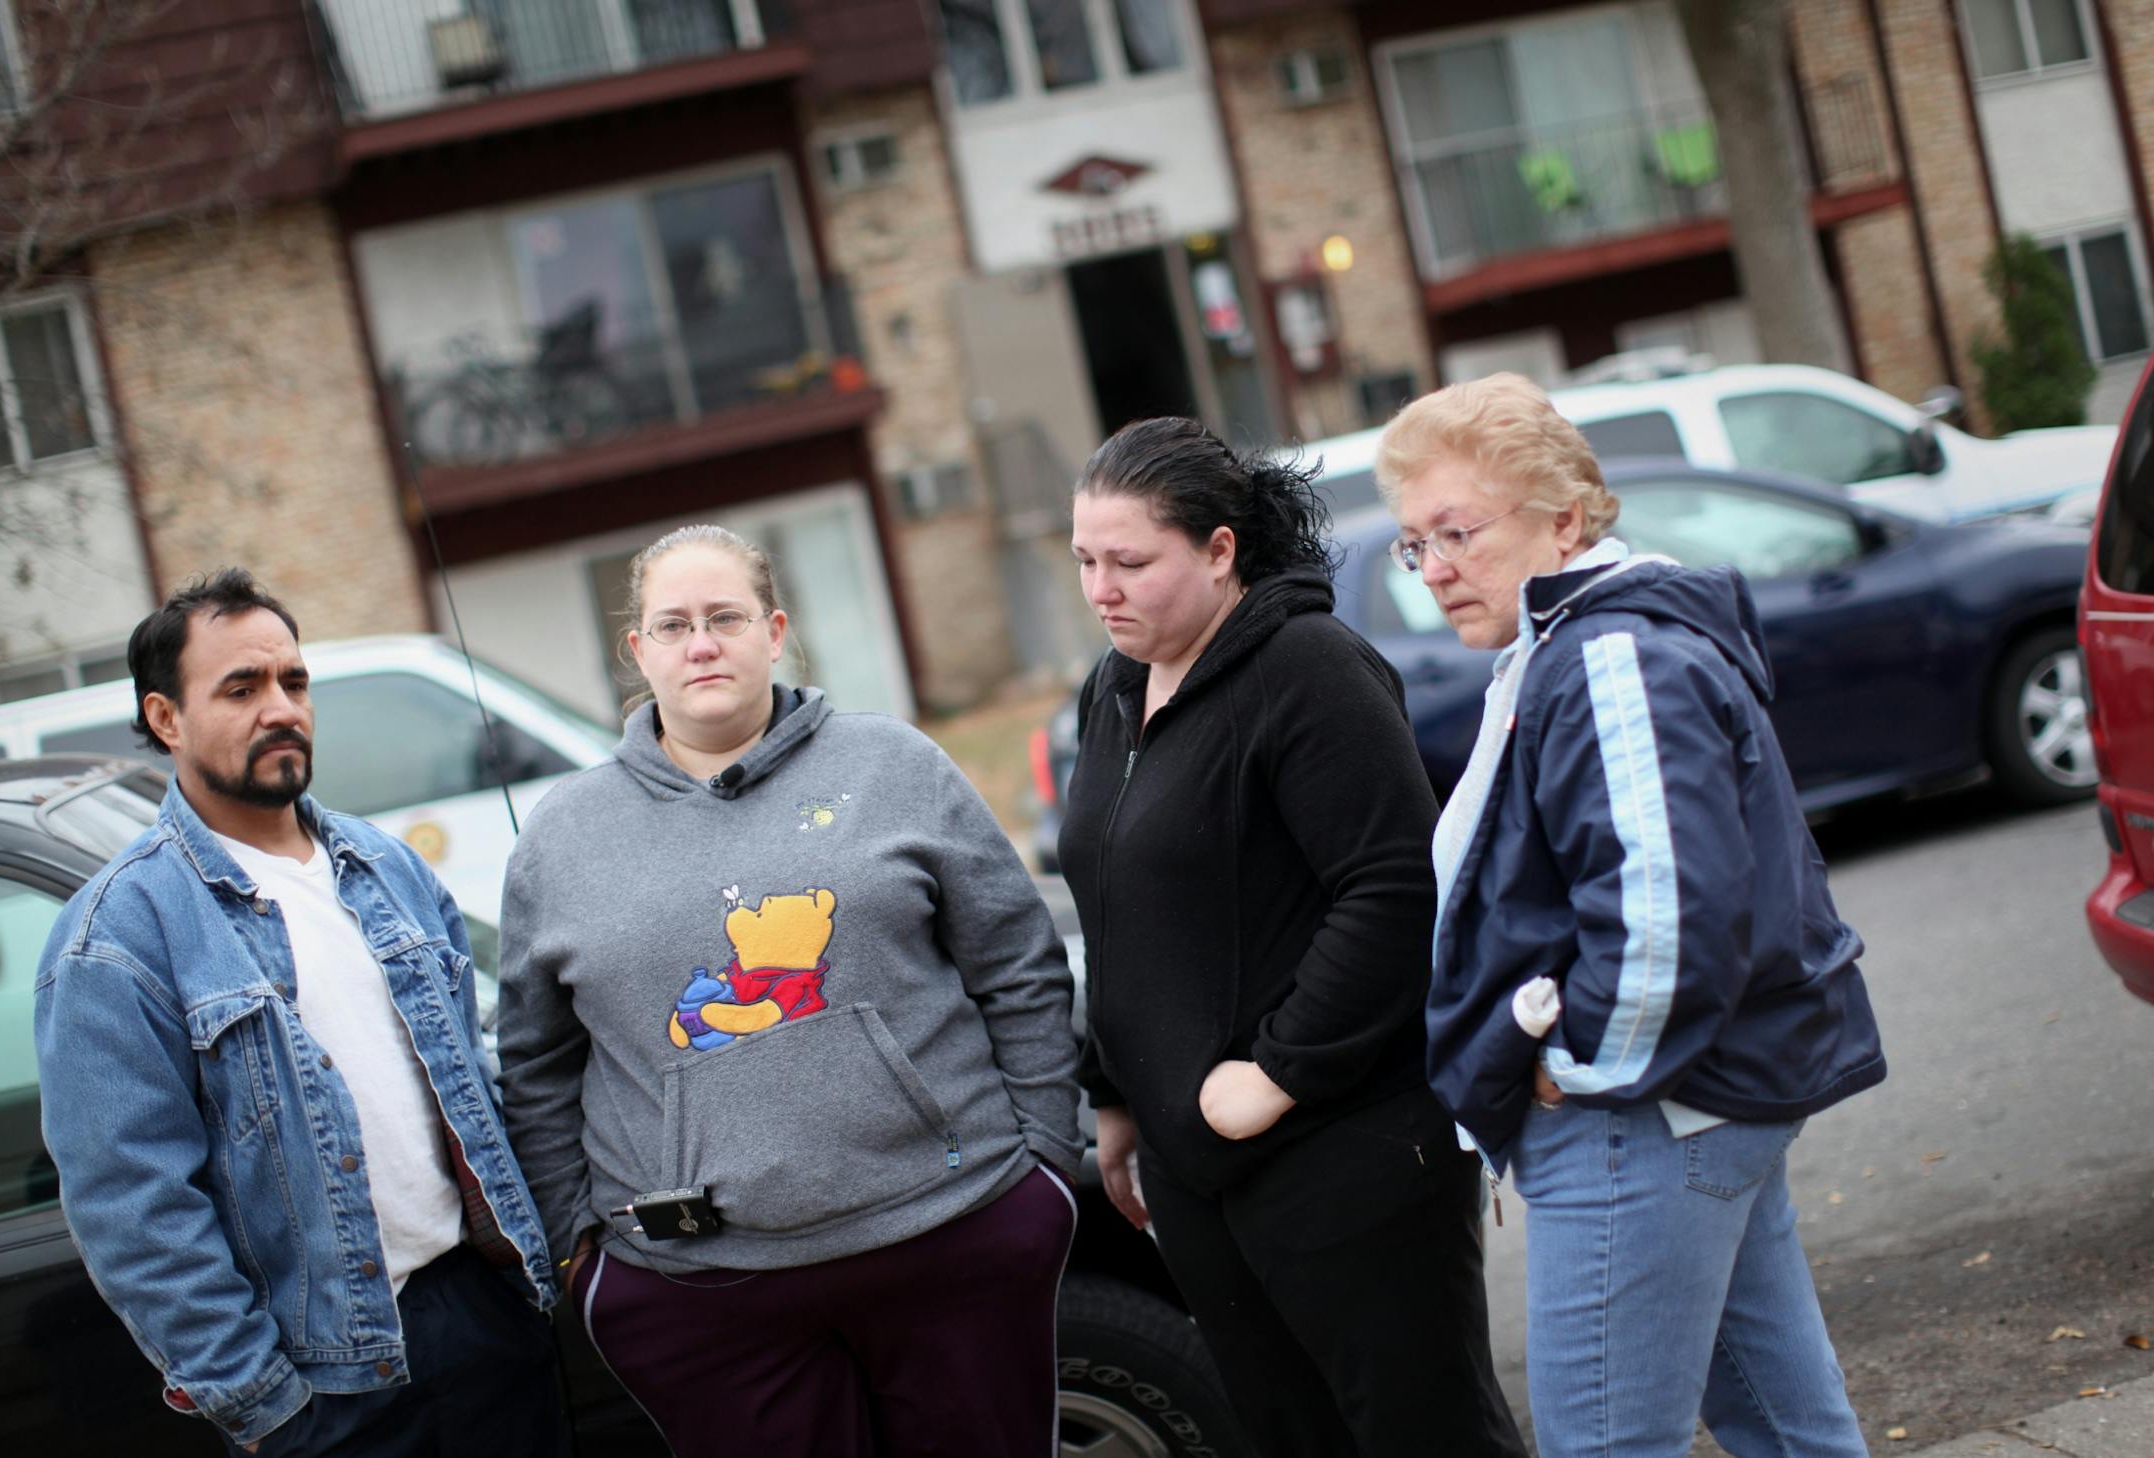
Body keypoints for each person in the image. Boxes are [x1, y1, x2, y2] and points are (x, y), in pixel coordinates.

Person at [497, 524, 1082, 1458]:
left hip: (950, 1239)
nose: (702, 643)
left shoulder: (893, 768)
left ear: (773, 631)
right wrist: (586, 1256)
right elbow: (534, 1065)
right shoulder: (560, 839)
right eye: (674, 624)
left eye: (725, 616)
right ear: (637, 651)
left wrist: (1043, 1165)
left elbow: (1017, 962)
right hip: (704, 1292)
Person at [1382, 373, 1885, 1458]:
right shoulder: (1571, 646)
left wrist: (1581, 1062)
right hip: (1688, 1108)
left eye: (1457, 531)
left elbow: (1665, 913)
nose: (1435, 569)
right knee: (1796, 1436)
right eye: (1413, 542)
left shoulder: (1609, 656)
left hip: (1643, 1120)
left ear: (1563, 518)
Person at [1059, 417, 1525, 1458]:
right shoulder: (1115, 688)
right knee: (1288, 1438)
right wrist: (1118, 1092)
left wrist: (1279, 1072)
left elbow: (1397, 891)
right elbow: (1118, 908)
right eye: (1086, 560)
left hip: (1346, 1143)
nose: (1103, 589)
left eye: (1131, 562)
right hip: (1196, 1168)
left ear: (1221, 551)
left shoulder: (1308, 666)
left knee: (1422, 1432)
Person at [34, 570, 564, 1457]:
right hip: (327, 1384)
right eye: (240, 688)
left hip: (483, 1319)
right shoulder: (114, 937)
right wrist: (267, 1404)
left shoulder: (385, 866)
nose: (279, 707)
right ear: (166, 719)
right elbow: (132, 1204)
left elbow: (480, 1069)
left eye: (293, 681)